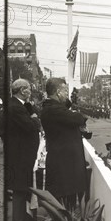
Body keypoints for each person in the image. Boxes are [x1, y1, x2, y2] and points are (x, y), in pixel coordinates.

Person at [40, 78, 88, 208]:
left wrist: (67, 102)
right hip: (64, 166)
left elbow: (67, 108)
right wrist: (78, 115)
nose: (67, 94)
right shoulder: (53, 109)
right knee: (66, 206)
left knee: (67, 202)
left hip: (64, 164)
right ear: (57, 92)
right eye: (65, 91)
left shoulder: (52, 107)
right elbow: (78, 118)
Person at [6, 79, 41, 221]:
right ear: (21, 90)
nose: (30, 90)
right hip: (20, 157)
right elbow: (31, 126)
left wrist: (32, 112)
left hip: (24, 156)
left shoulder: (21, 105)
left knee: (23, 191)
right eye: (28, 88)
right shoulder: (15, 107)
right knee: (20, 192)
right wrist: (34, 118)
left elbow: (35, 116)